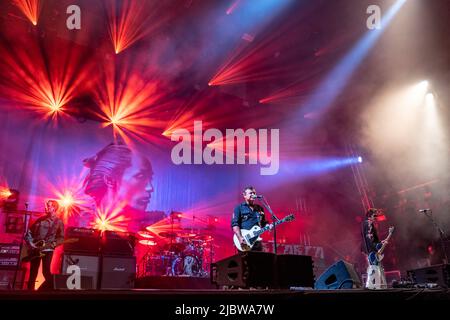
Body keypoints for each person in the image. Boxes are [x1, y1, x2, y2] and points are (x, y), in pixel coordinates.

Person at [25, 200, 64, 290]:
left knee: (46, 272)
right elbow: (29, 233)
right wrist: (31, 243)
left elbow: (61, 238)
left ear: (54, 208)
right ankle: (29, 294)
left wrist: (53, 244)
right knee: (33, 272)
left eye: (49, 206)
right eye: (46, 205)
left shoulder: (58, 222)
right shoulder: (40, 219)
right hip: (35, 249)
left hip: (47, 250)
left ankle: (48, 291)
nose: (46, 207)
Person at [231, 186, 271, 252]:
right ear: (244, 195)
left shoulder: (259, 208)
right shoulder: (239, 208)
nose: (253, 194)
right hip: (244, 241)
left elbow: (263, 223)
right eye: (250, 193)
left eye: (254, 193)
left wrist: (267, 226)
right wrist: (240, 238)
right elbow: (235, 224)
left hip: (257, 241)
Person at [361, 208, 392, 289]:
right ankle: (372, 287)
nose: (376, 218)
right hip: (371, 250)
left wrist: (381, 242)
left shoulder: (369, 223)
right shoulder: (368, 223)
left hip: (371, 249)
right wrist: (376, 248)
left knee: (376, 269)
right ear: (369, 216)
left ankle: (375, 287)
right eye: (374, 216)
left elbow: (373, 239)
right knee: (374, 268)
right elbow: (369, 238)